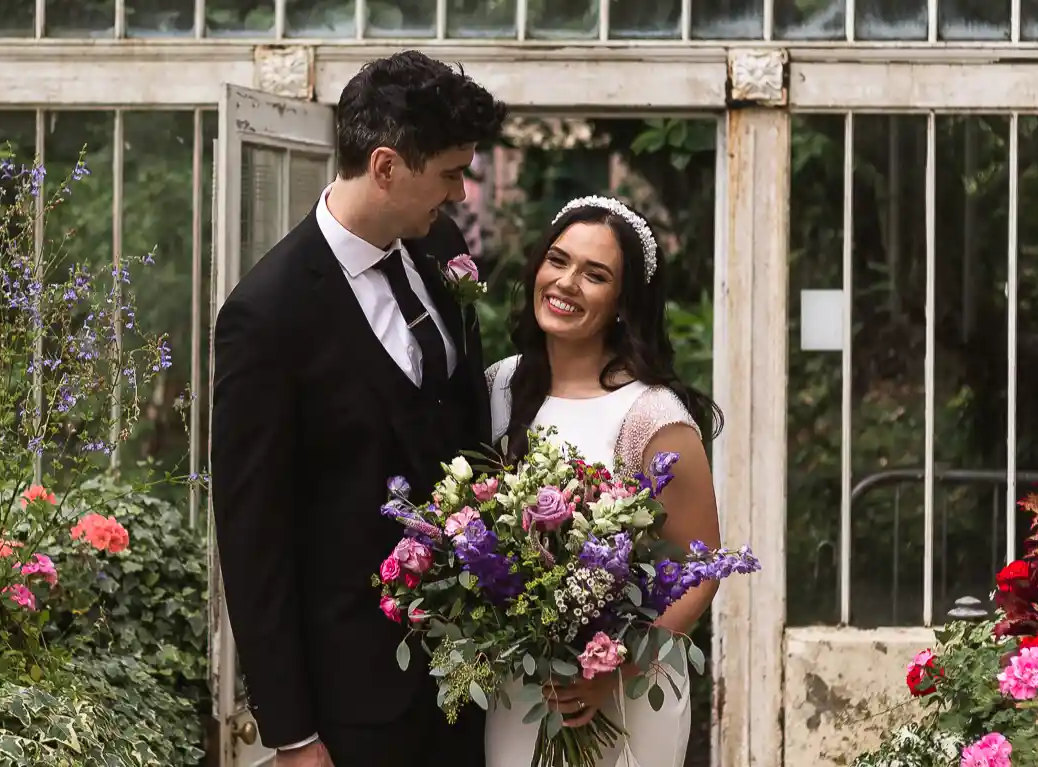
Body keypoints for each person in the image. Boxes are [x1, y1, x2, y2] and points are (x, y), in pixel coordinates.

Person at [209, 51, 507, 767]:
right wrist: (293, 733)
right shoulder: (266, 315)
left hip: (464, 682)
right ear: (383, 166)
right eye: (447, 173)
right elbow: (252, 540)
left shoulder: (438, 246)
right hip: (351, 707)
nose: (461, 193)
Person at [483, 196, 724, 767]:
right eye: (557, 261)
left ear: (622, 303)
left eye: (595, 275)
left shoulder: (650, 415)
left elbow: (702, 565)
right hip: (519, 689)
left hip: (622, 695)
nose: (566, 283)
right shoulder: (497, 387)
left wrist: (612, 667)